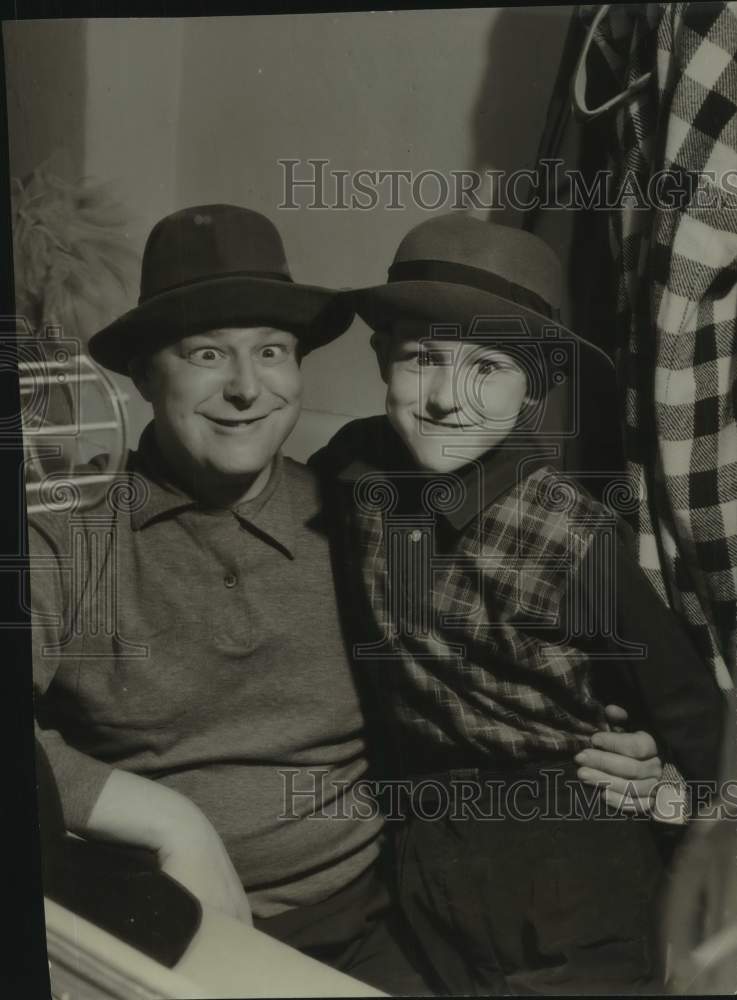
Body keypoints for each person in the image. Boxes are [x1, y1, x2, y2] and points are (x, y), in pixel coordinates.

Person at [30, 204, 672, 995]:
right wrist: (172, 821)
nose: (244, 389)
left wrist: (641, 758)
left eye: (272, 352)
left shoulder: (357, 507)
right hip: (162, 924)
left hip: (384, 917)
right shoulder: (67, 539)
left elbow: (502, 664)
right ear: (144, 374)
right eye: (205, 354)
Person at [311, 213, 727, 994]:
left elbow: (696, 718)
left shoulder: (578, 542)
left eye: (488, 368)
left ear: (534, 386)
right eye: (421, 359)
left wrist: (669, 794)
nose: (444, 399)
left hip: (568, 874)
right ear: (378, 359)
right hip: (419, 859)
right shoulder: (349, 467)